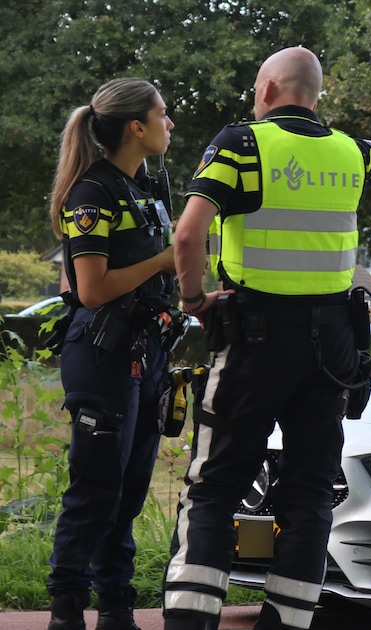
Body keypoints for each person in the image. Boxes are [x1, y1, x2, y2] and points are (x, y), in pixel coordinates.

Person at [162, 46, 371, 630]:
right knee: (308, 496)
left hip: (255, 339)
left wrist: (195, 301)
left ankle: (190, 620)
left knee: (215, 487)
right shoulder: (350, 152)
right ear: (315, 95)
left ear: (269, 90)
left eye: (258, 89)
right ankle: (287, 622)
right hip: (331, 350)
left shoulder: (241, 144)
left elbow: (188, 235)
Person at [46, 78, 179, 630]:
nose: (170, 124)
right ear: (135, 126)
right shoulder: (92, 194)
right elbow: (92, 289)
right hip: (101, 354)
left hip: (147, 355)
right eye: (163, 114)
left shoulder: (148, 190)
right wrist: (167, 259)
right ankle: (66, 608)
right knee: (96, 489)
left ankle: (117, 606)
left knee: (128, 491)